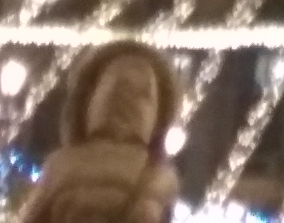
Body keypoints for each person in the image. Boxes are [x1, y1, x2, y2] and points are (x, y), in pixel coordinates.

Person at [10, 42, 184, 223]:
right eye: (120, 88)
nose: (127, 101)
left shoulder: (158, 177)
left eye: (142, 94)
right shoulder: (60, 168)